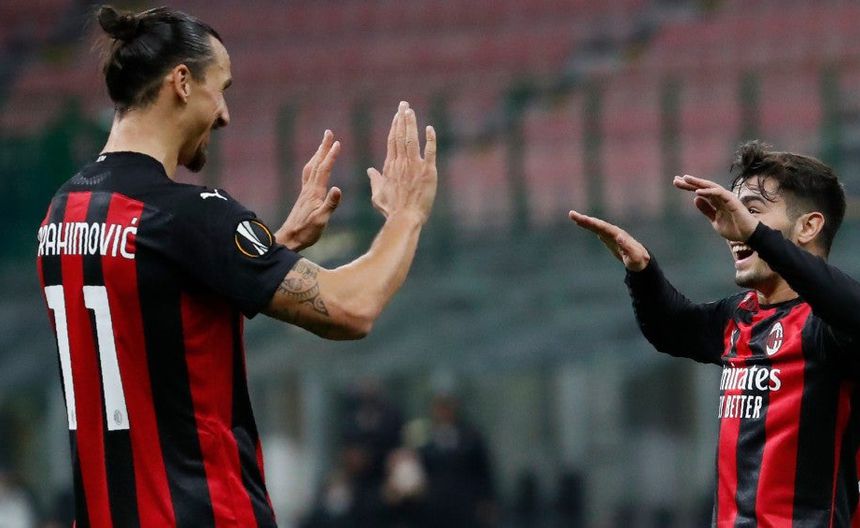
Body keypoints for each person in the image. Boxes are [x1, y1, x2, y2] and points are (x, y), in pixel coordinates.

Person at [35, 5, 437, 527]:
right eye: (220, 88)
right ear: (182, 82)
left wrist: (274, 248)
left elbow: (158, 309)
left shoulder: (62, 214)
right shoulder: (189, 215)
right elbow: (352, 308)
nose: (224, 114)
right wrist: (407, 215)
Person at [569, 141, 860, 526]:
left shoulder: (831, 327)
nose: (733, 226)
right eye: (732, 209)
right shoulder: (739, 317)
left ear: (809, 226)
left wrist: (757, 235)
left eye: (751, 211)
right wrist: (642, 271)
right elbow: (672, 329)